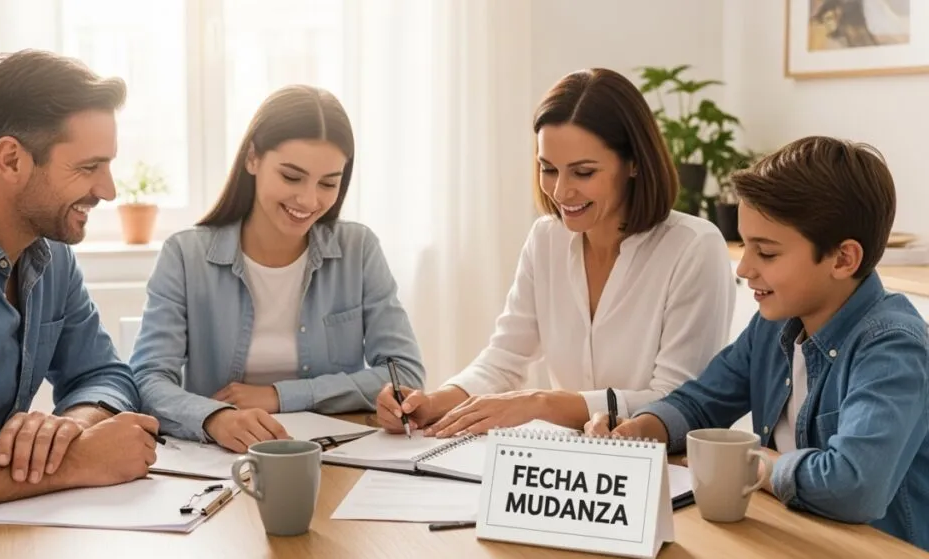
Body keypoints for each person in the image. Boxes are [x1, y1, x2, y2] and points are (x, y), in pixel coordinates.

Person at [585, 136, 929, 551]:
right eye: (746, 245)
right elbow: (701, 403)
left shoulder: (892, 348)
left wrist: (756, 464)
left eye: (766, 253)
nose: (745, 268)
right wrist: (641, 429)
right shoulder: (775, 324)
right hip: (793, 535)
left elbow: (854, 486)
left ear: (843, 259)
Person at [376, 68, 735, 437]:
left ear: (634, 163)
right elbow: (504, 360)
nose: (561, 192)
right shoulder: (546, 239)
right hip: (566, 469)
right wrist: (432, 403)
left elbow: (677, 401)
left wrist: (540, 403)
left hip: (663, 468)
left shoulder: (693, 247)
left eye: (583, 172)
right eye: (548, 169)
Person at [0, 50, 160, 558]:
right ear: (11, 159)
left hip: (4, 533)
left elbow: (105, 374)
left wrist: (71, 427)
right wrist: (78, 462)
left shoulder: (51, 256)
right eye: (90, 167)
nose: (107, 190)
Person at [131, 85, 425, 452]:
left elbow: (405, 375)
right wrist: (214, 418)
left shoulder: (358, 250)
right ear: (252, 158)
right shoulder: (185, 256)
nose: (308, 200)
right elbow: (147, 380)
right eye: (291, 177)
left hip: (335, 455)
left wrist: (279, 396)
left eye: (328, 183)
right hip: (221, 459)